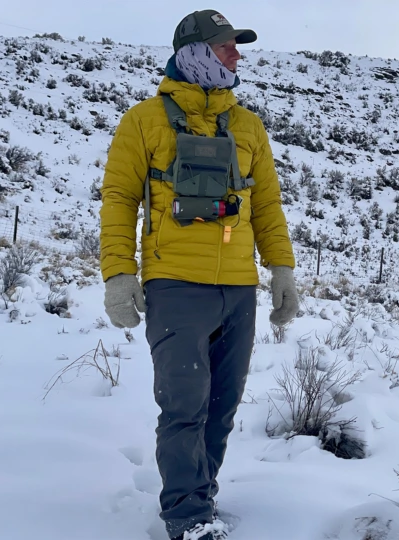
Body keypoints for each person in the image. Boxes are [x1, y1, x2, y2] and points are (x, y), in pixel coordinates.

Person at [98, 9, 299, 540]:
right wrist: (119, 273)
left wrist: (282, 270)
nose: (236, 54)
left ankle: (201, 498)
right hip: (175, 287)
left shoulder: (249, 125)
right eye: (225, 45)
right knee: (184, 405)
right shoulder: (143, 120)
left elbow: (268, 207)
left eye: (236, 45)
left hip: (238, 288)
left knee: (221, 407)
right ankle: (187, 518)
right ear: (193, 51)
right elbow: (119, 199)